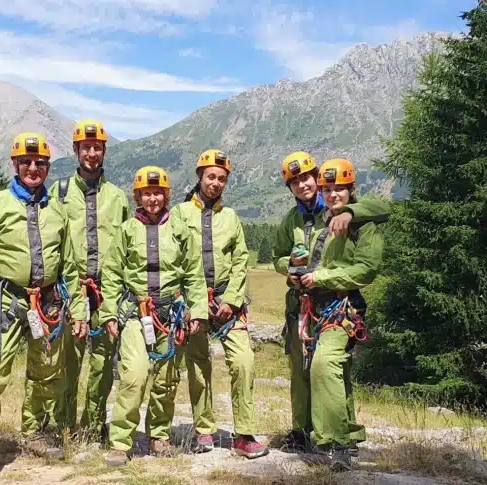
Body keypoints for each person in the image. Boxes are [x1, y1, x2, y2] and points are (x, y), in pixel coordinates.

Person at [0, 132, 88, 485]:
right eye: (26, 162)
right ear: (15, 164)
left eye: (40, 163)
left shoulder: (57, 210)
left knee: (46, 372)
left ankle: (35, 430)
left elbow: (71, 267)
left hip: (47, 304)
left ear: (47, 167)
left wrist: (79, 311)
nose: (33, 168)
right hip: (4, 303)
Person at [271, 152, 389, 469]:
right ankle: (332, 436)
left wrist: (351, 212)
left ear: (350, 189)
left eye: (339, 189)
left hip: (341, 305)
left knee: (325, 366)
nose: (332, 193)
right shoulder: (308, 220)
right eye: (329, 189)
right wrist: (292, 267)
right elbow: (283, 256)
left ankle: (335, 442)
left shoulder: (355, 220)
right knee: (313, 370)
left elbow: (382, 215)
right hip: (308, 304)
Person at [99, 166, 209, 466]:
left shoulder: (180, 230)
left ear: (166, 194)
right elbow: (110, 275)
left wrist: (196, 310)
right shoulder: (126, 231)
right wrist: (108, 312)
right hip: (136, 313)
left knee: (166, 381)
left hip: (170, 315)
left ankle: (159, 435)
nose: (152, 199)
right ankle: (121, 442)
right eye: (146, 193)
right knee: (133, 376)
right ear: (137, 196)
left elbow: (194, 275)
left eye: (157, 193)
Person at [170, 149, 267, 459]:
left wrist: (233, 299)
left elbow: (241, 259)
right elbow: (173, 259)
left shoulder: (231, 217)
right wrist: (185, 300)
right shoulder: (180, 213)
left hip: (228, 303)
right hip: (194, 302)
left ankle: (244, 435)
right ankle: (204, 430)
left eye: (221, 179)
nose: (215, 183)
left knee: (243, 362)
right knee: (198, 365)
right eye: (211, 177)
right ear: (200, 176)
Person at [51, 119, 130, 442]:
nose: (92, 153)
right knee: (69, 360)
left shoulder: (118, 197)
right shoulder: (60, 194)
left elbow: (129, 246)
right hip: (71, 289)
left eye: (97, 147)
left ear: (104, 151)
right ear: (76, 150)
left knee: (102, 361)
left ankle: (95, 423)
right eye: (86, 147)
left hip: (107, 291)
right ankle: (65, 425)